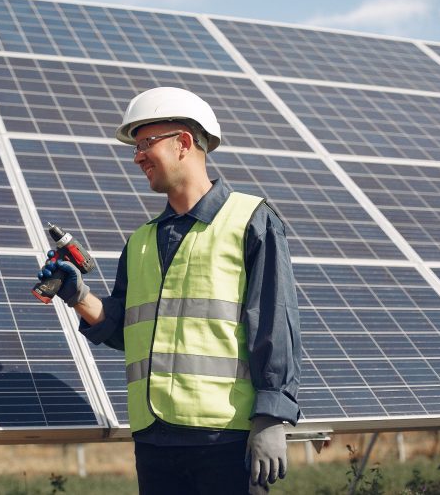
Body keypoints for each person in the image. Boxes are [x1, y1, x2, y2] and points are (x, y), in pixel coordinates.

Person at [38, 87, 302, 495]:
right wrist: (81, 298)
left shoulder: (251, 221)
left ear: (183, 143)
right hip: (155, 440)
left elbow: (274, 322)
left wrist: (272, 415)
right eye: (136, 146)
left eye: (146, 143)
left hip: (225, 439)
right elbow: (133, 332)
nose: (137, 155)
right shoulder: (141, 240)